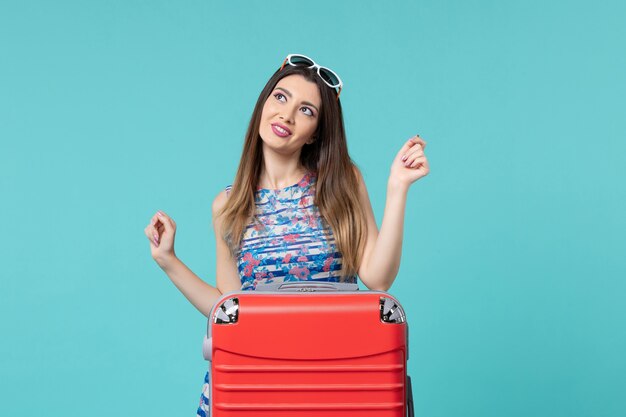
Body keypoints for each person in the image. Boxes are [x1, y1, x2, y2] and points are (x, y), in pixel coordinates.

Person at [143, 53, 430, 416]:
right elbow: (230, 309)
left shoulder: (341, 182)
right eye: (280, 97)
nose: (287, 115)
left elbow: (378, 278)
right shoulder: (228, 205)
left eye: (307, 110)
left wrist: (397, 188)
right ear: (264, 103)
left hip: (334, 384)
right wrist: (168, 261)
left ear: (315, 135)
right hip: (250, 384)